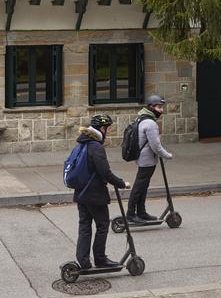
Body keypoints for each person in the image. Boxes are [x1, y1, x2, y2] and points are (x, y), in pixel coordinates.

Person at [73, 113, 130, 270]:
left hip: (81, 192)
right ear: (102, 129)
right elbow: (105, 172)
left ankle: (83, 261)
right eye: (108, 129)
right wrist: (121, 183)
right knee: (103, 225)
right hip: (94, 194)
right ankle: (100, 259)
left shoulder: (81, 143)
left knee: (84, 226)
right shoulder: (96, 147)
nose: (109, 132)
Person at [127, 94, 174, 223]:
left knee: (143, 186)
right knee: (139, 187)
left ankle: (141, 212)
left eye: (161, 107)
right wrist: (167, 155)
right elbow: (156, 146)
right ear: (151, 107)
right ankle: (130, 214)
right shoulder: (150, 123)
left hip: (143, 158)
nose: (161, 110)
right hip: (147, 160)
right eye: (159, 107)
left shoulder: (142, 118)